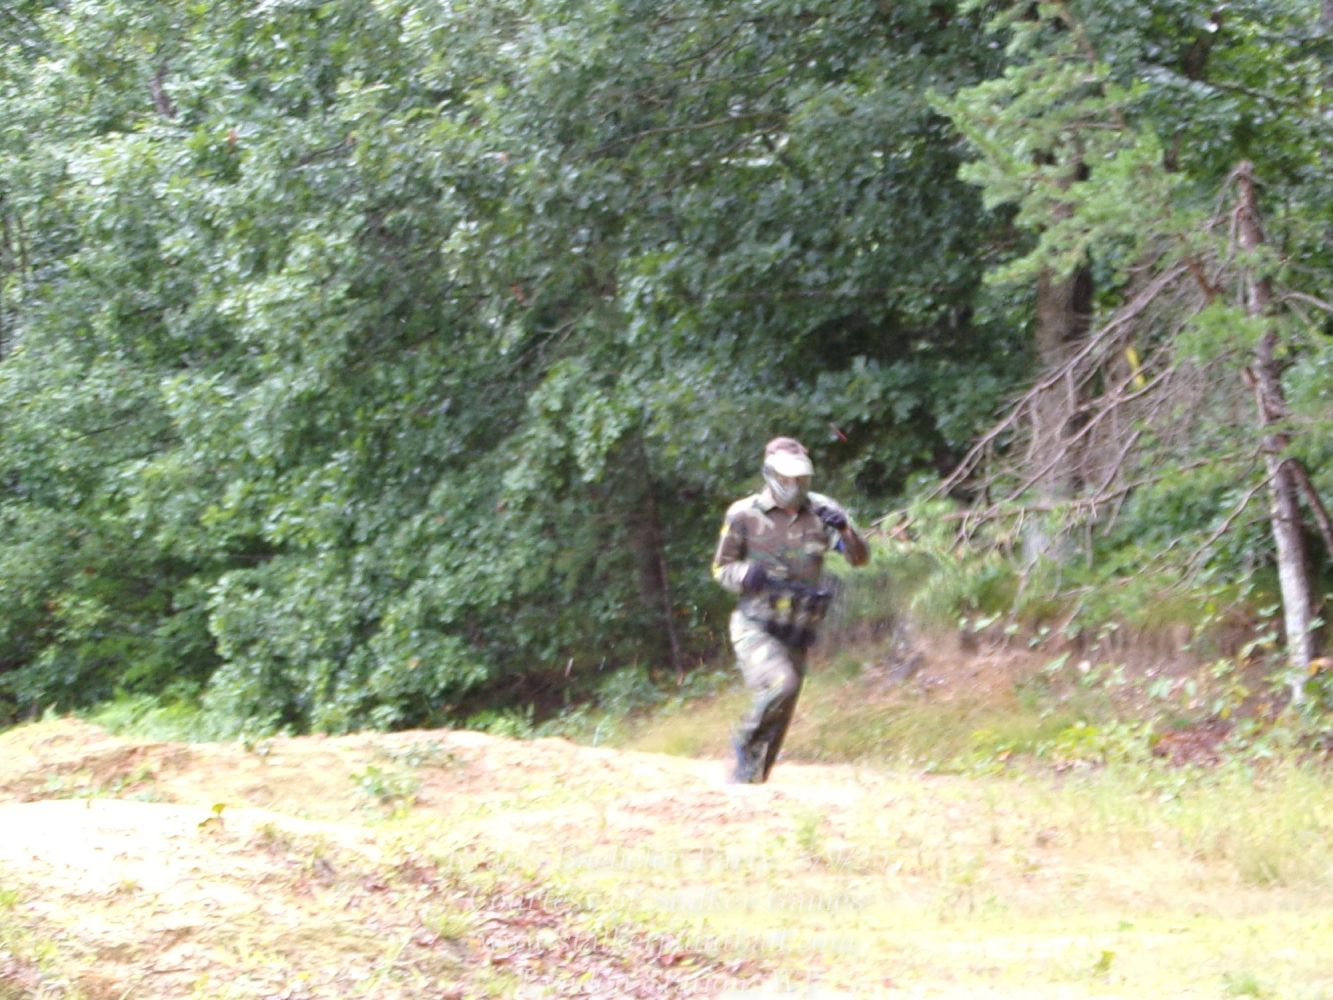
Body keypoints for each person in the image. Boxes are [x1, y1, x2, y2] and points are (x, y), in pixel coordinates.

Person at [712, 436, 870, 783]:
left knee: (782, 711)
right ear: (770, 475)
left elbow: (858, 559)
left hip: (798, 629)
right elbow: (721, 568)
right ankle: (742, 745)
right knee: (780, 685)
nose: (794, 486)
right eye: (787, 479)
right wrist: (745, 574)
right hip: (755, 624)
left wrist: (845, 529)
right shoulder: (744, 514)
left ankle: (750, 783)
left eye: (801, 479)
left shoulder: (823, 511)